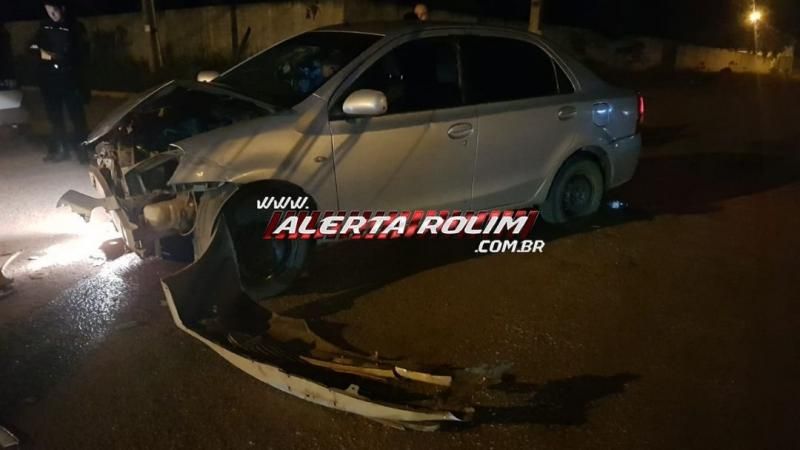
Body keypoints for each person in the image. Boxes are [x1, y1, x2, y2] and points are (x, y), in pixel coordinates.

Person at [30, 1, 90, 163]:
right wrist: (44, 55)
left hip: (70, 79)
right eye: (49, 12)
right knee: (55, 118)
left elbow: (81, 53)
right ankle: (60, 150)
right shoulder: (44, 27)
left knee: (77, 117)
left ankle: (83, 152)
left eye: (54, 11)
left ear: (62, 8)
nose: (52, 15)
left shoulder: (75, 27)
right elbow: (32, 48)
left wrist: (62, 58)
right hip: (50, 80)